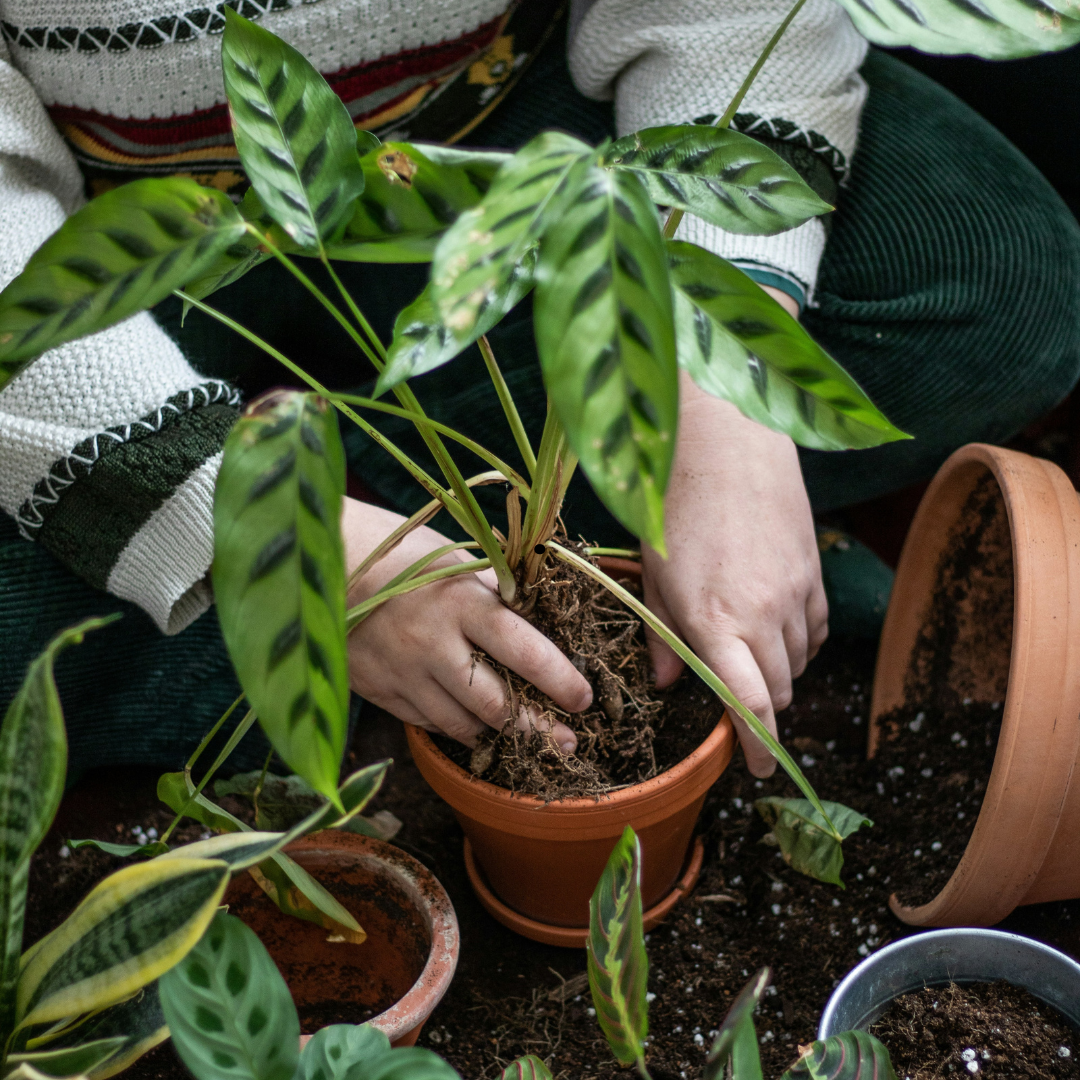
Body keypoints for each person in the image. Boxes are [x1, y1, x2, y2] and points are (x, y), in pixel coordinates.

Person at [1, 0, 1078, 780]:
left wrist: (718, 392)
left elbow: (723, 22)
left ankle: (465, 596)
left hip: (510, 125)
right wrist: (278, 541)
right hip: (115, 259)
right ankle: (576, 575)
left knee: (997, 283)